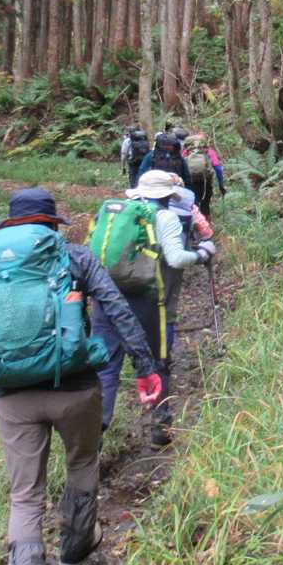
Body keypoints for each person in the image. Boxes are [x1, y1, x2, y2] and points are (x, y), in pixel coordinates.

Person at [0, 187, 163, 565]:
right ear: (51, 222)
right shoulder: (74, 256)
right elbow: (115, 307)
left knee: (25, 497)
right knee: (82, 462)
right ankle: (76, 548)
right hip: (74, 387)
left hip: (12, 395)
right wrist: (145, 366)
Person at [95, 169, 215, 442]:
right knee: (156, 362)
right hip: (147, 300)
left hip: (107, 298)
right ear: (167, 195)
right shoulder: (165, 217)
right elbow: (175, 258)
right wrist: (201, 254)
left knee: (106, 367)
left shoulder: (115, 213)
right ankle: (160, 427)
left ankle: (93, 436)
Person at [182, 132, 227, 217]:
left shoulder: (186, 152)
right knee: (205, 205)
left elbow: (181, 166)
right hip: (205, 182)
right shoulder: (209, 152)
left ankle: (194, 221)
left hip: (190, 181)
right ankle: (206, 222)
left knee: (192, 204)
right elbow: (218, 168)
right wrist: (221, 185)